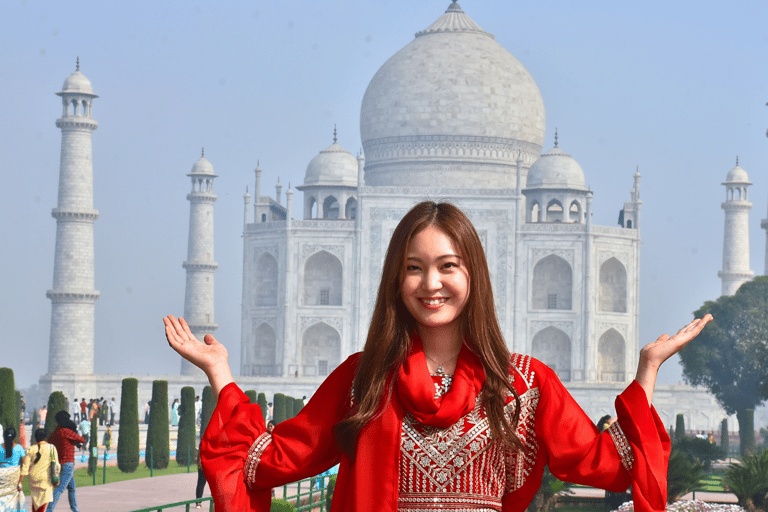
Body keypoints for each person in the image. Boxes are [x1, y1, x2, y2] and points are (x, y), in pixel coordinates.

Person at [164, 201, 713, 512]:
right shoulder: (364, 379)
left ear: (474, 274)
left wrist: (646, 373)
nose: (431, 284)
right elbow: (272, 458)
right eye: (414, 267)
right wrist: (221, 374)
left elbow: (606, 464)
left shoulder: (523, 384)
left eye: (448, 266)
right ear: (394, 278)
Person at [48, 411, 85, 512]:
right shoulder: (66, 431)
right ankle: (48, 510)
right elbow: (82, 439)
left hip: (60, 462)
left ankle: (75, 509)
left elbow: (49, 442)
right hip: (68, 463)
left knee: (72, 488)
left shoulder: (56, 432)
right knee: (59, 489)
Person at [20, 428, 58, 512]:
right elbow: (56, 465)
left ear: (35, 437)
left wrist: (20, 482)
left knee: (35, 503)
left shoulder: (31, 449)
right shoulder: (51, 448)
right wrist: (56, 479)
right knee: (42, 505)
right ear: (45, 437)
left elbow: (25, 467)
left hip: (33, 480)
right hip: (46, 480)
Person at [0, 427, 26, 511]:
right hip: (14, 478)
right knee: (13, 499)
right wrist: (20, 481)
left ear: (4, 436)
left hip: (1, 477)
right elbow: (24, 464)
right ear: (15, 437)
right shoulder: (19, 448)